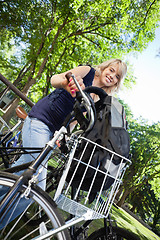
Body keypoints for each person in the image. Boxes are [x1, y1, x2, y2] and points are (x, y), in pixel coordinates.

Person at [0, 58, 127, 229]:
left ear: (118, 82)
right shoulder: (87, 72)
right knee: (35, 186)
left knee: (19, 177)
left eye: (117, 76)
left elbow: (74, 121)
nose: (112, 76)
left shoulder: (98, 100)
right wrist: (66, 83)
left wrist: (66, 136)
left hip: (52, 133)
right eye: (111, 70)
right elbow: (55, 79)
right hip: (40, 120)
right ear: (104, 68)